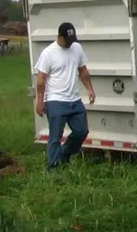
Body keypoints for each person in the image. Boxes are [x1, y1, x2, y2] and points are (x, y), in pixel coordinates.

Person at [34, 21, 96, 170]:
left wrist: (90, 89)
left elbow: (83, 71)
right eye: (67, 41)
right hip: (55, 101)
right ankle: (53, 168)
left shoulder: (76, 48)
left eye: (72, 40)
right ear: (59, 37)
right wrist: (40, 102)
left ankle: (64, 153)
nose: (69, 44)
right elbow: (41, 80)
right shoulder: (48, 53)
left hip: (74, 100)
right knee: (55, 137)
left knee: (82, 131)